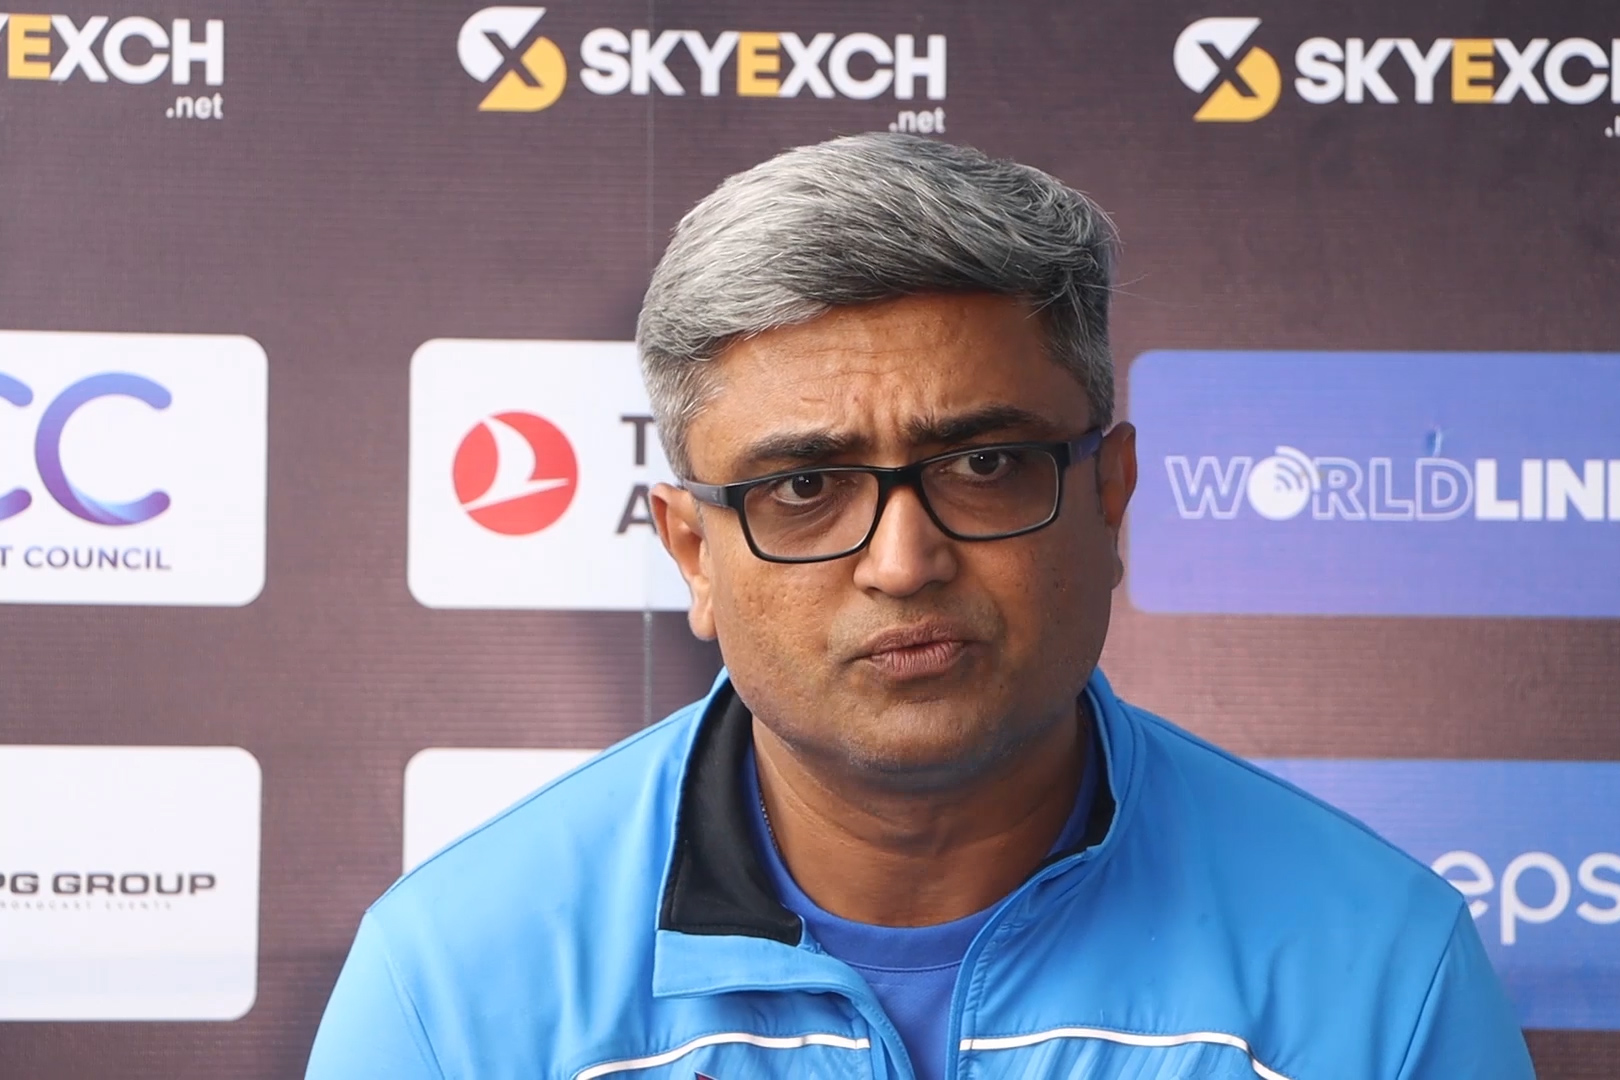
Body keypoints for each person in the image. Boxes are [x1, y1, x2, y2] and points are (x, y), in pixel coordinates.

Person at [306, 133, 1536, 1080]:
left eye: (985, 464)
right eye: (804, 487)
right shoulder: (452, 992)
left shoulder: (1381, 971)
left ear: (1109, 497)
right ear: (691, 554)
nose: (903, 562)